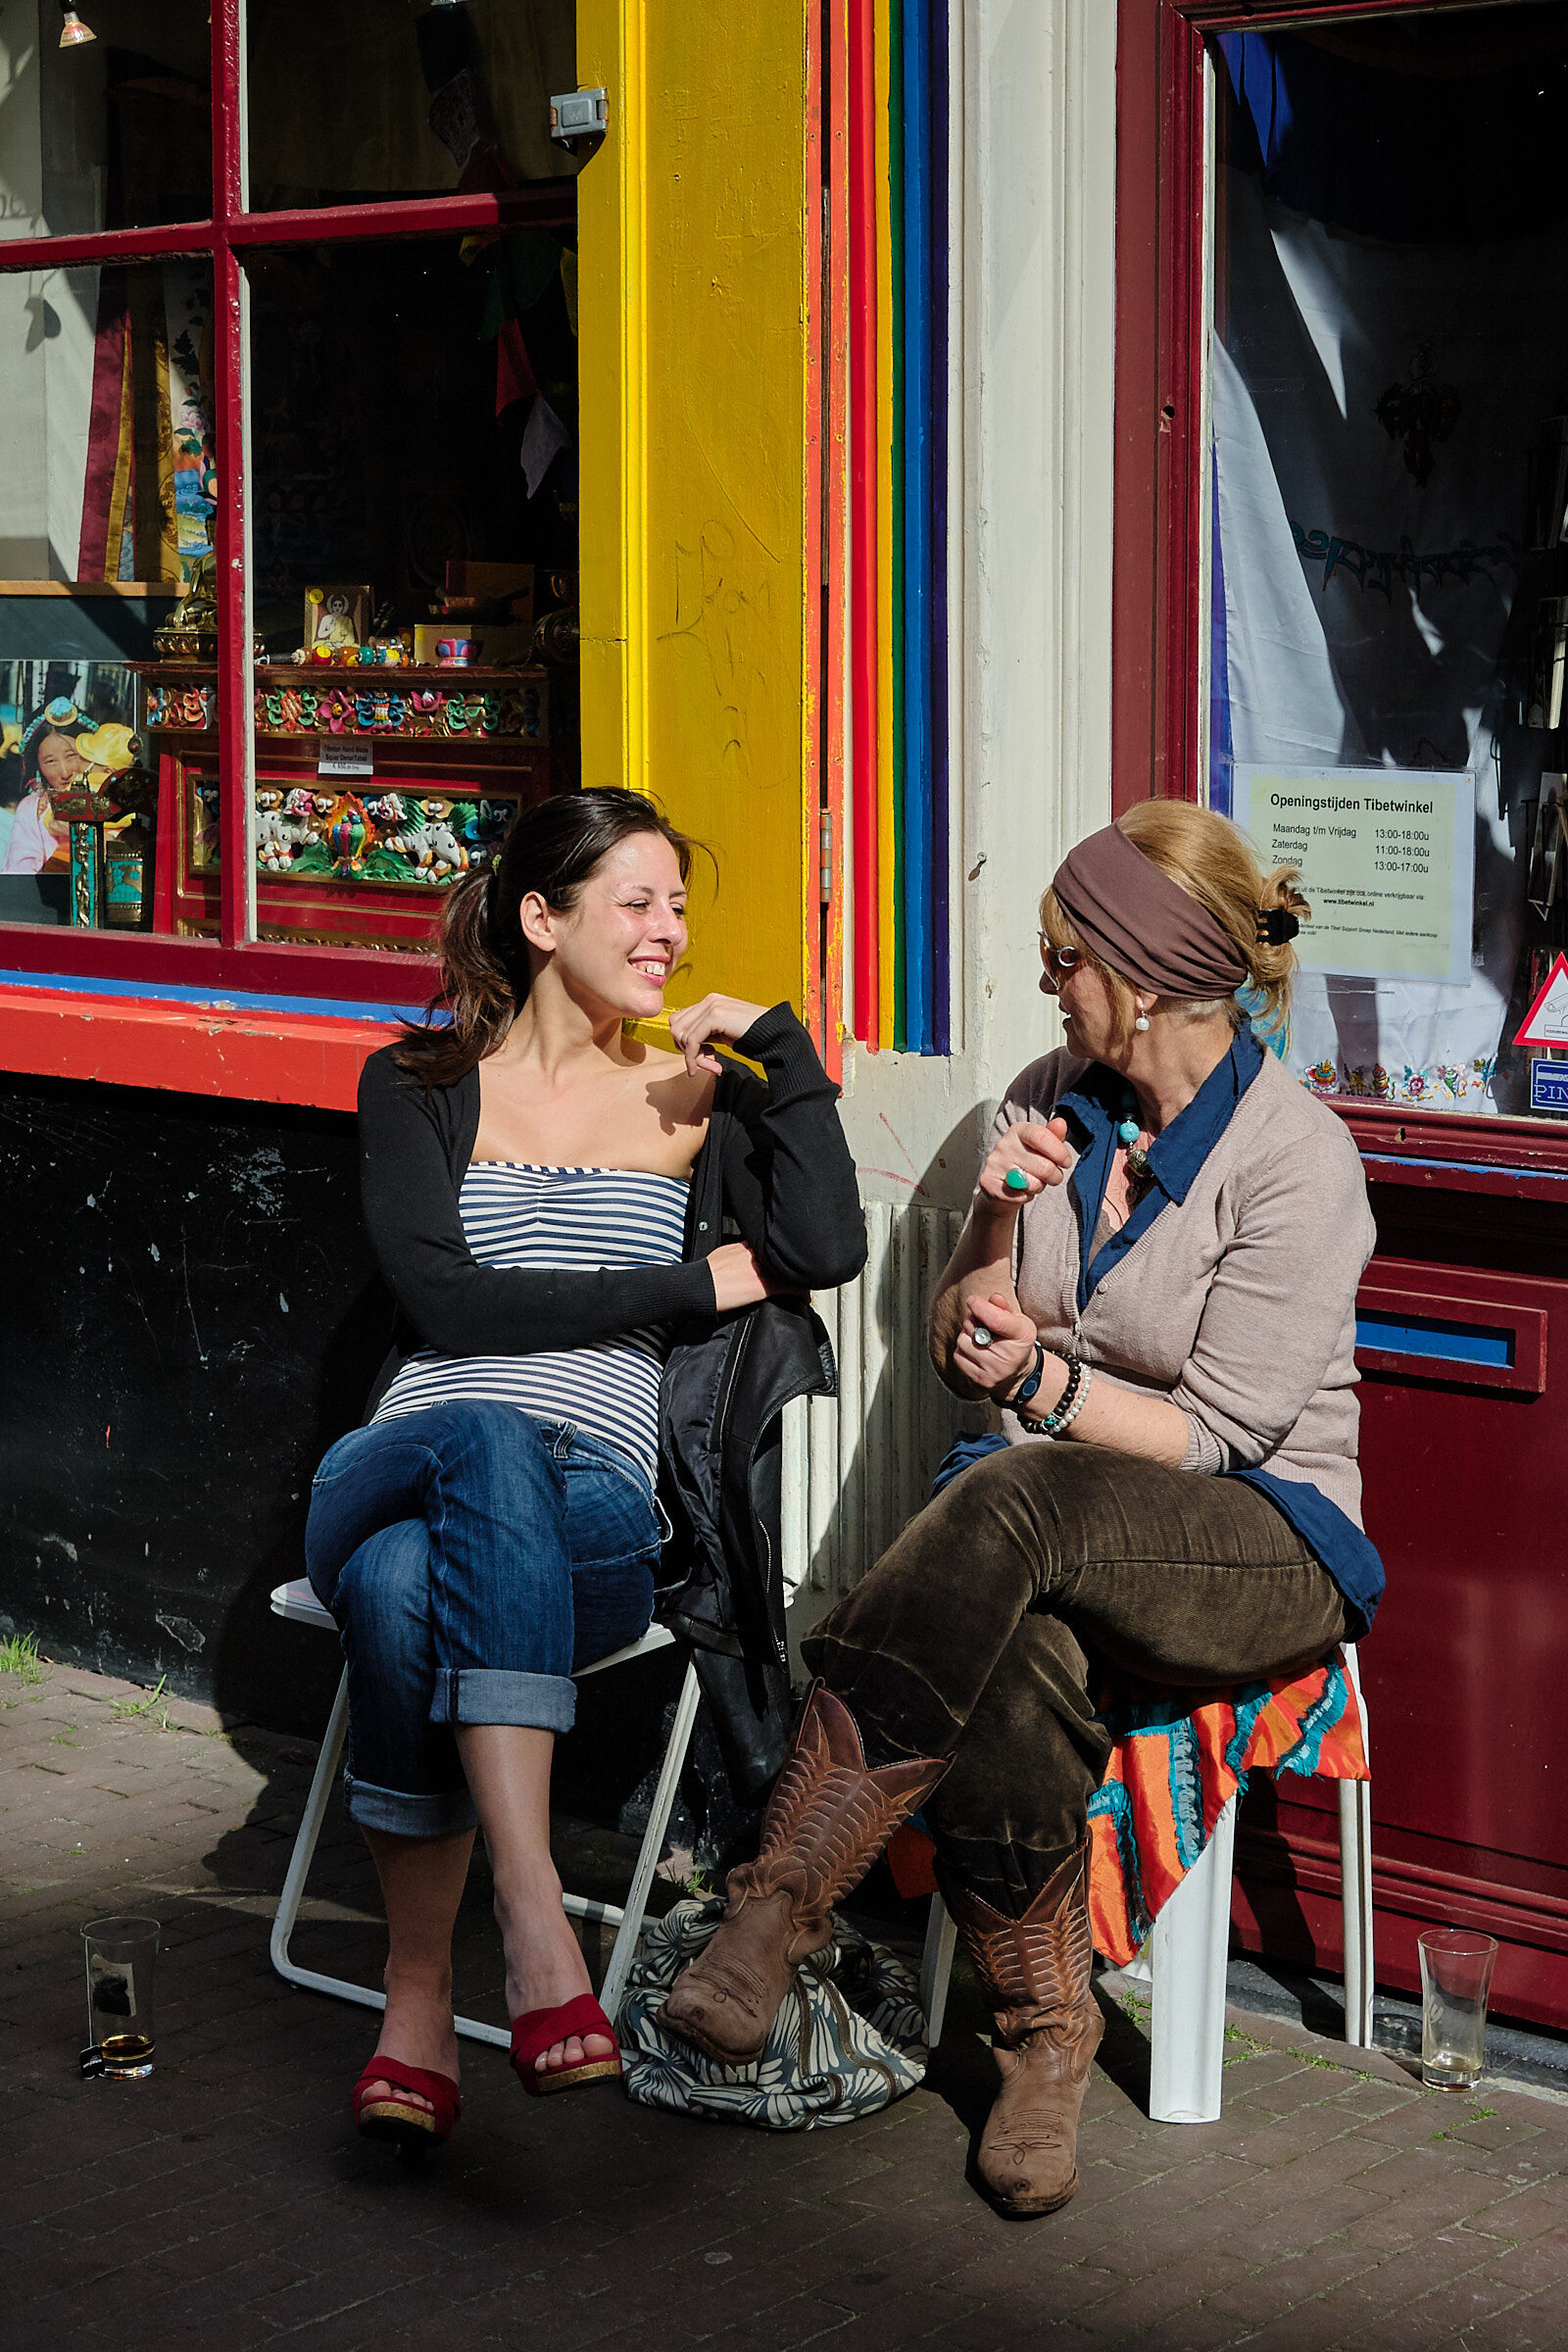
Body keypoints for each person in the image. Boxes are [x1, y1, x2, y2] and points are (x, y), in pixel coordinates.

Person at [660, 802, 1383, 2220]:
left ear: (1146, 975)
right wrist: (993, 1219)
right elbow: (959, 1343)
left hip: (1259, 1535)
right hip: (1044, 1519)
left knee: (1013, 1492)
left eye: (1065, 953)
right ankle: (1046, 2036)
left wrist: (1040, 1387)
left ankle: (774, 1908)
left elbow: (1220, 1436)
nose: (1044, 976)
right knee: (1007, 1644)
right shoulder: (1054, 1092)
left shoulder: (1297, 1158)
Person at [306, 788, 864, 2150]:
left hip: (594, 1514)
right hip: (399, 1458)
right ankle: (531, 1910)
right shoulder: (418, 1085)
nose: (669, 929)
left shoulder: (696, 1099)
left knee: (398, 1588)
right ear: (543, 920)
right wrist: (679, 1283)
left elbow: (828, 1245)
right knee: (479, 1435)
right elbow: (447, 1307)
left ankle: (417, 1998)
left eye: (678, 904)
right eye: (637, 901)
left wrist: (781, 1048)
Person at [1, 700, 90, 874]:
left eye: (71, 756)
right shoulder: (33, 809)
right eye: (50, 762)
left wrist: (81, 833)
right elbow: (21, 874)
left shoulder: (107, 800)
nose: (65, 772)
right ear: (38, 766)